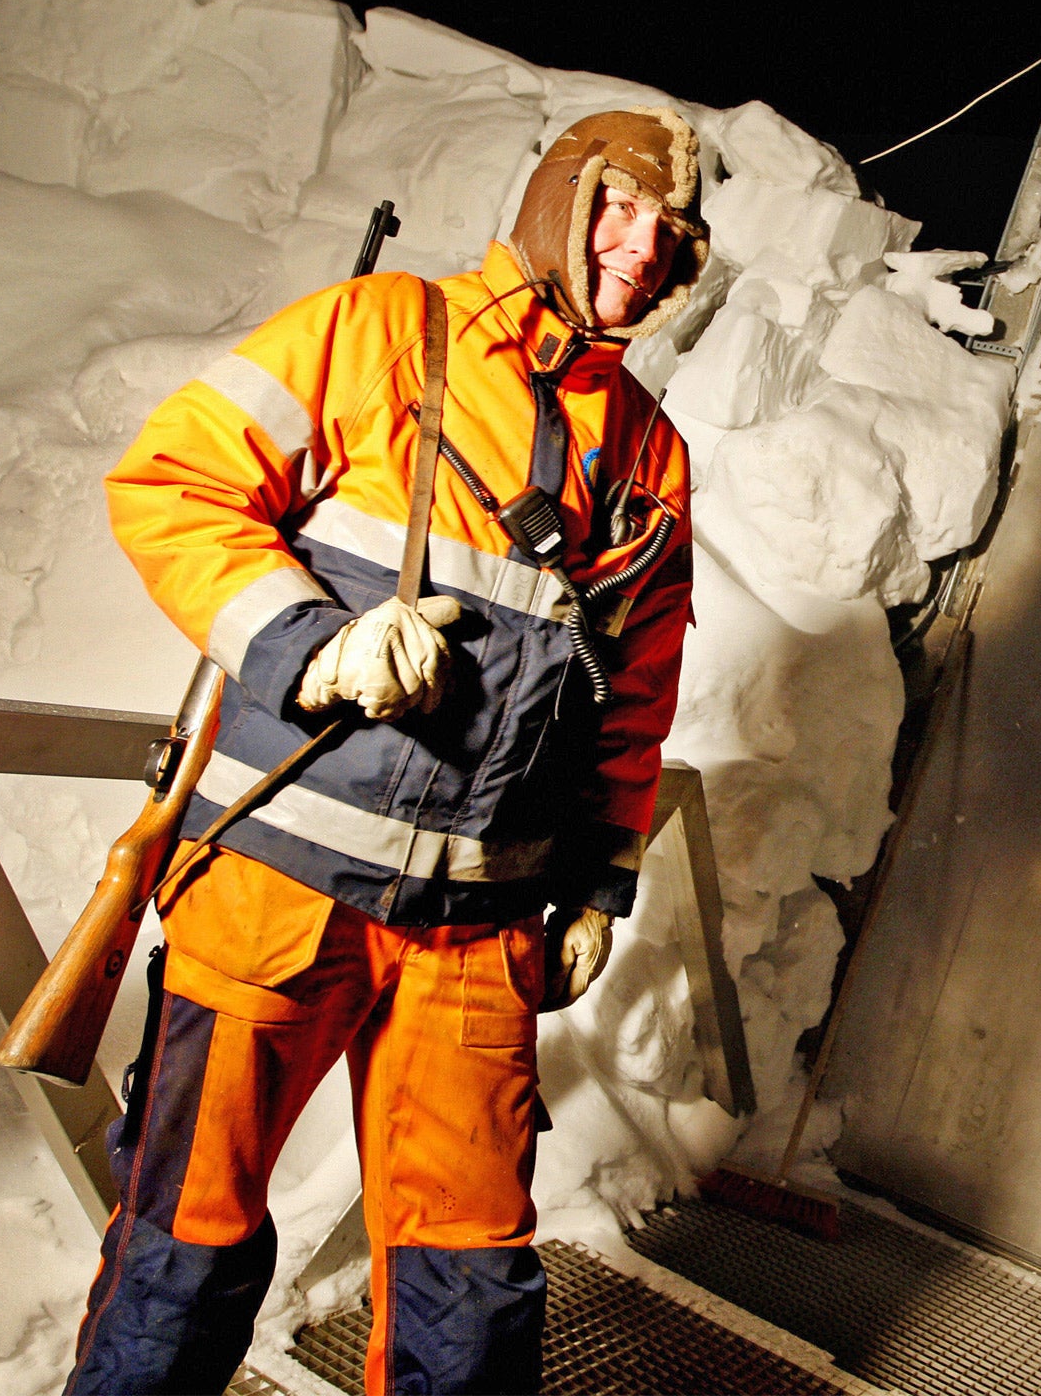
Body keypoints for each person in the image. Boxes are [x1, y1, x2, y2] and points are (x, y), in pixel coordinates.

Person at [64, 107, 710, 1396]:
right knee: (181, 1249)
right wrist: (315, 644)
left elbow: (633, 698)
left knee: (470, 1288)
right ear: (556, 202)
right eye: (618, 210)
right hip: (273, 892)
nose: (641, 250)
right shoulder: (373, 331)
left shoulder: (650, 451)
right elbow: (170, 481)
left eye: (674, 235)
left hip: (476, 926)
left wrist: (600, 879)